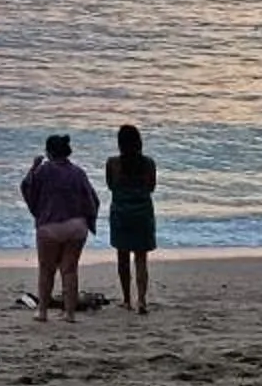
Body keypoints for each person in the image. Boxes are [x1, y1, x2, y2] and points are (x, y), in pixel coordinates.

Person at [19, 134, 99, 323]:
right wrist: (89, 220)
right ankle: (69, 313)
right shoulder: (78, 172)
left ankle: (42, 311)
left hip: (50, 225)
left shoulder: (44, 170)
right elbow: (92, 199)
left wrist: (33, 167)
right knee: (70, 270)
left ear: (49, 152)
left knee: (46, 269)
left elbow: (27, 187)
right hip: (76, 226)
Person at [105, 123, 159, 313]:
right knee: (141, 259)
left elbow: (111, 186)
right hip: (143, 212)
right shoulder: (148, 163)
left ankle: (127, 299)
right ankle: (142, 300)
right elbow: (152, 187)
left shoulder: (113, 163)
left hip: (121, 213)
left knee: (123, 258)